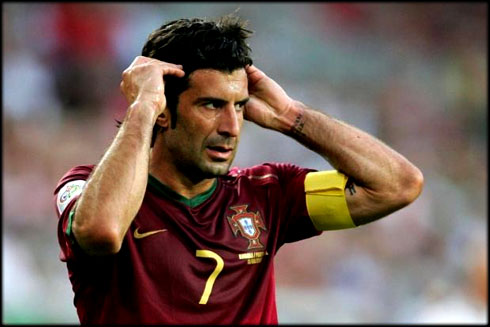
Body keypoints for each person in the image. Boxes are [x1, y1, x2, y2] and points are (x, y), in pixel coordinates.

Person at [54, 14, 424, 324]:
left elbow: (398, 185)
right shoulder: (85, 188)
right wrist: (143, 107)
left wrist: (292, 118)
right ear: (164, 110)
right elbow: (102, 231)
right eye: (212, 105)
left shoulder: (267, 194)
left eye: (240, 106)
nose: (232, 126)